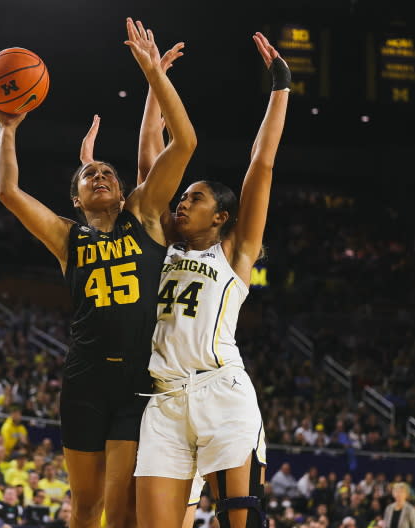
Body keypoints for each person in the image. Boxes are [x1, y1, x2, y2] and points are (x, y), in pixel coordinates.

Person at [0, 16, 196, 528]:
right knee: (85, 505)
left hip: (135, 381)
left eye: (106, 172)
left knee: (121, 509)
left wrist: (154, 77)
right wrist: (8, 129)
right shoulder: (66, 237)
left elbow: (183, 142)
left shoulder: (145, 215)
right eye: (88, 174)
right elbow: (8, 192)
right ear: (75, 199)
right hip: (84, 378)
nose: (98, 175)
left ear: (123, 192)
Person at [132, 31, 290, 528]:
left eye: (195, 197)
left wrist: (280, 88)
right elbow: (149, 161)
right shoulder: (159, 245)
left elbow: (261, 164)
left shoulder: (235, 254)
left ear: (221, 216)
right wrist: (155, 86)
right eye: (183, 196)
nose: (182, 200)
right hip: (162, 400)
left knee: (241, 522)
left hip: (221, 392)